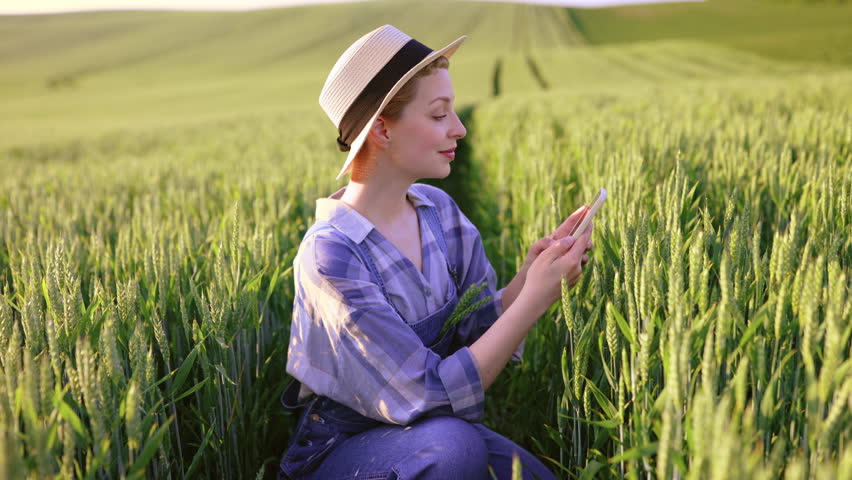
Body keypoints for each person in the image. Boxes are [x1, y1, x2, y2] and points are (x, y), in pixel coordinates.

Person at [278, 25, 594, 480]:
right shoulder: (332, 256)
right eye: (438, 114)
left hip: (435, 431)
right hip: (347, 448)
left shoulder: (438, 211)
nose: (460, 128)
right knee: (455, 449)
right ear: (383, 129)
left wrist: (533, 273)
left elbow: (481, 327)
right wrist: (534, 300)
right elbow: (428, 394)